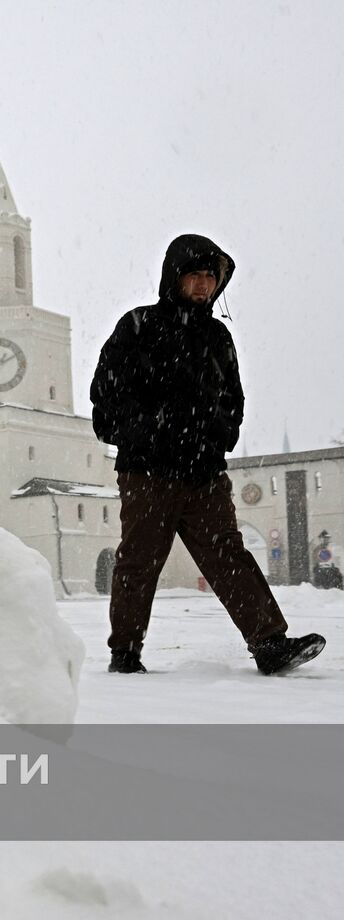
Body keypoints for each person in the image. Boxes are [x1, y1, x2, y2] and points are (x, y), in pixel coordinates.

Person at [90, 233, 325, 675]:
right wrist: (148, 434)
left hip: (204, 474)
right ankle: (125, 654)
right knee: (139, 561)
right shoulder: (137, 326)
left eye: (210, 277)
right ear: (174, 277)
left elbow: (233, 400)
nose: (203, 285)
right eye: (194, 275)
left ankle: (269, 644)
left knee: (228, 555)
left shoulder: (218, 337)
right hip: (148, 474)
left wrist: (218, 437)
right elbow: (105, 398)